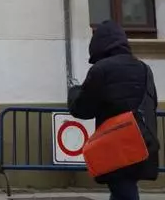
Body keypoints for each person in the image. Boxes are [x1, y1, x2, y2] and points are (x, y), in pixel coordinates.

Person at [68, 20, 159, 200]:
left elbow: (83, 109)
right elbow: (152, 103)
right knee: (124, 190)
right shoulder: (144, 69)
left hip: (114, 146)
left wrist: (74, 92)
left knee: (123, 191)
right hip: (140, 142)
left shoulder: (100, 70)